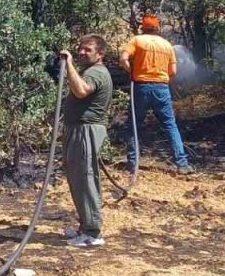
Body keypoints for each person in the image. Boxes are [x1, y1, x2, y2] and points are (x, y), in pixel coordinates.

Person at [58, 34, 113, 248]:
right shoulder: (90, 71)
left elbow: (81, 91)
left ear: (100, 54)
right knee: (78, 179)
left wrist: (69, 64)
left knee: (85, 179)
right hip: (79, 130)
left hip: (86, 131)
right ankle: (85, 227)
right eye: (80, 48)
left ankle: (92, 233)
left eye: (87, 50)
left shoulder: (97, 72)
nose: (82, 52)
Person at [120, 15, 194, 174]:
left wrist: (131, 71)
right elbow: (173, 71)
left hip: (141, 87)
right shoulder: (167, 45)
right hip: (161, 88)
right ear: (158, 28)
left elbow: (123, 58)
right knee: (170, 125)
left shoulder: (137, 41)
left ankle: (133, 164)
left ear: (143, 27)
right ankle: (182, 164)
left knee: (134, 125)